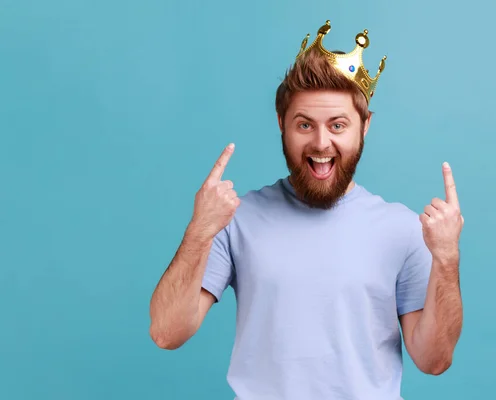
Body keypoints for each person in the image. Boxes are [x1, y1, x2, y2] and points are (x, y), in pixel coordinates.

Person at [149, 20, 464, 400]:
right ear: (281, 123)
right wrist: (200, 229)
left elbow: (433, 360)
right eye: (304, 124)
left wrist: (446, 259)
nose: (321, 142)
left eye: (338, 125)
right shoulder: (236, 220)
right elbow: (166, 333)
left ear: (364, 127)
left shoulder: (403, 229)